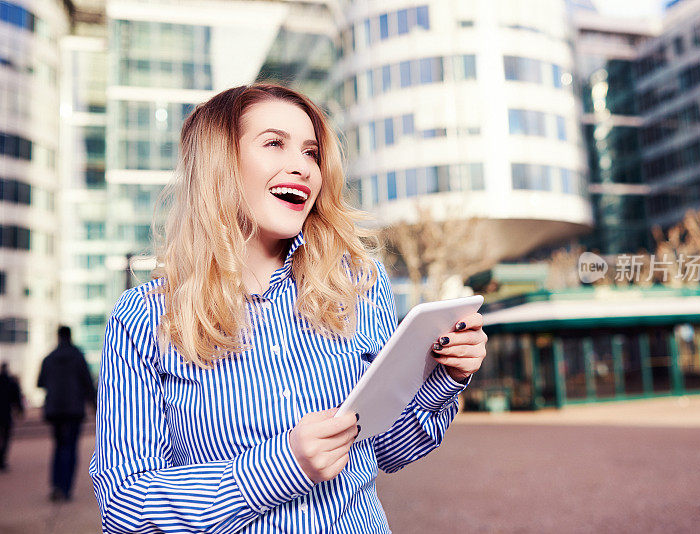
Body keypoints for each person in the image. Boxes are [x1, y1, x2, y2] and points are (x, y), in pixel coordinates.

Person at [89, 83, 488, 533]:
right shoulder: (144, 318)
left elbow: (387, 448)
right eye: (275, 144)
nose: (301, 167)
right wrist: (282, 466)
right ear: (220, 163)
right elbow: (125, 509)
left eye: (311, 153)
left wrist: (444, 378)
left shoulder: (356, 284)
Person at [37, 325, 96, 501]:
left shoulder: (49, 357)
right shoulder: (78, 356)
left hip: (55, 410)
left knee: (58, 447)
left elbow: (40, 382)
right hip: (74, 410)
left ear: (58, 336)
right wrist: (93, 405)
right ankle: (66, 488)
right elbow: (88, 383)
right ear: (70, 336)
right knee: (70, 447)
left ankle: (56, 486)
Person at [0, 361, 24, 471]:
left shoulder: (10, 382)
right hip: (6, 414)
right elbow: (17, 398)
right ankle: (2, 459)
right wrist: (19, 410)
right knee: (5, 437)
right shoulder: (11, 382)